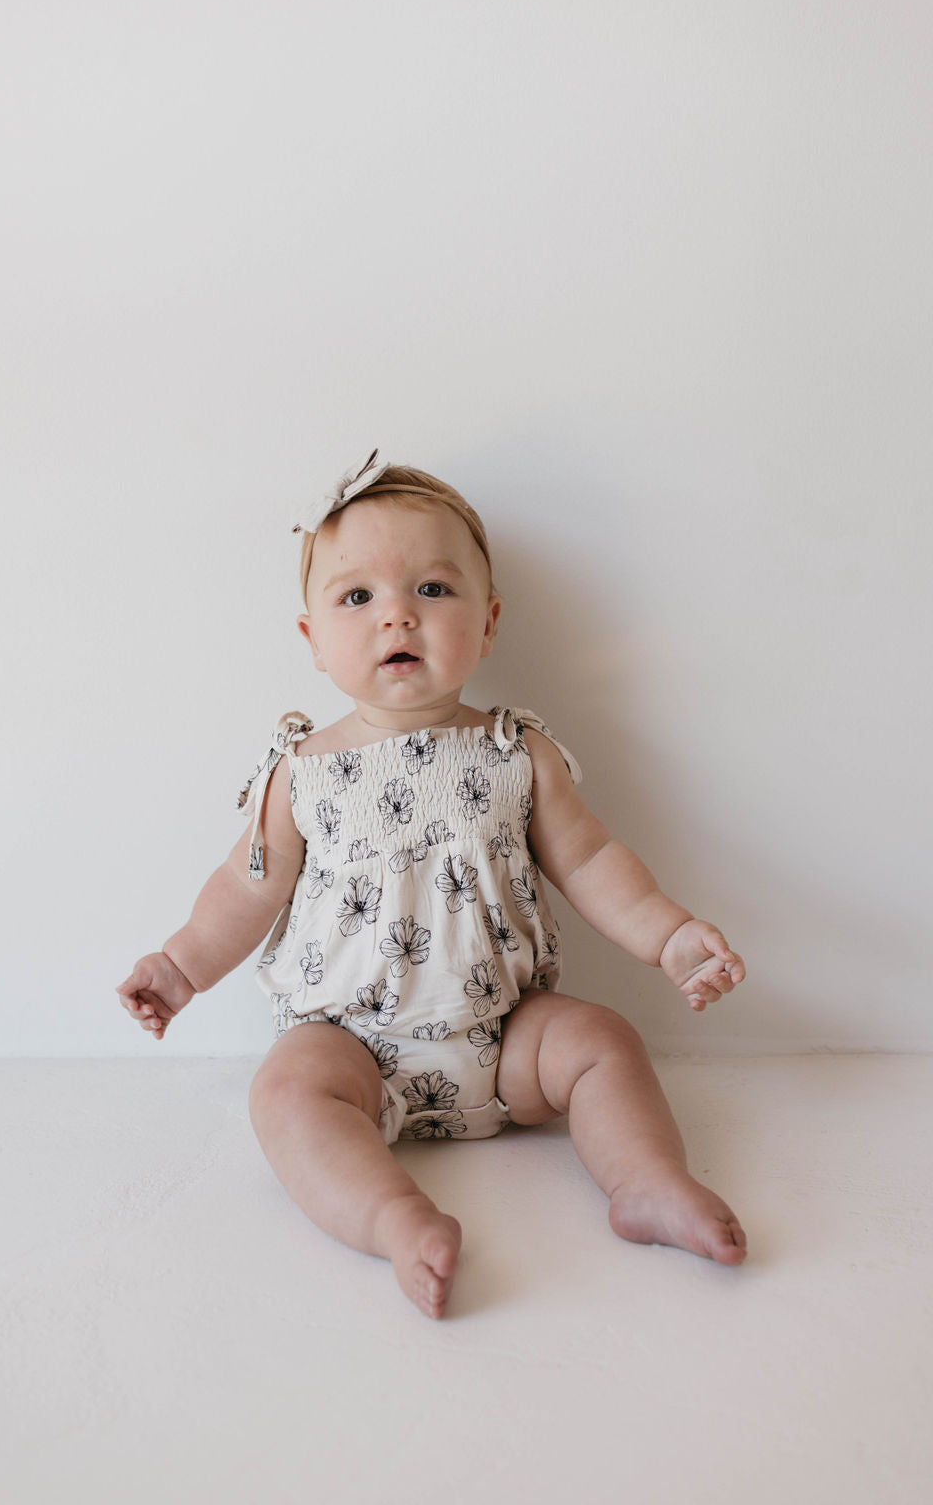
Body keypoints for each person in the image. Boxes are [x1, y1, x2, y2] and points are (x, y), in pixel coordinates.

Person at [117, 450, 748, 1319]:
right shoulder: (300, 771)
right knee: (284, 1090)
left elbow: (593, 862)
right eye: (358, 597)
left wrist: (670, 936)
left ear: (487, 624)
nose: (397, 617)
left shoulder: (514, 751)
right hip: (350, 1046)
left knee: (602, 1039)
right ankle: (393, 1215)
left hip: (505, 1034)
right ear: (312, 639)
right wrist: (179, 967)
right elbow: (244, 886)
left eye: (433, 591)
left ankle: (646, 1181)